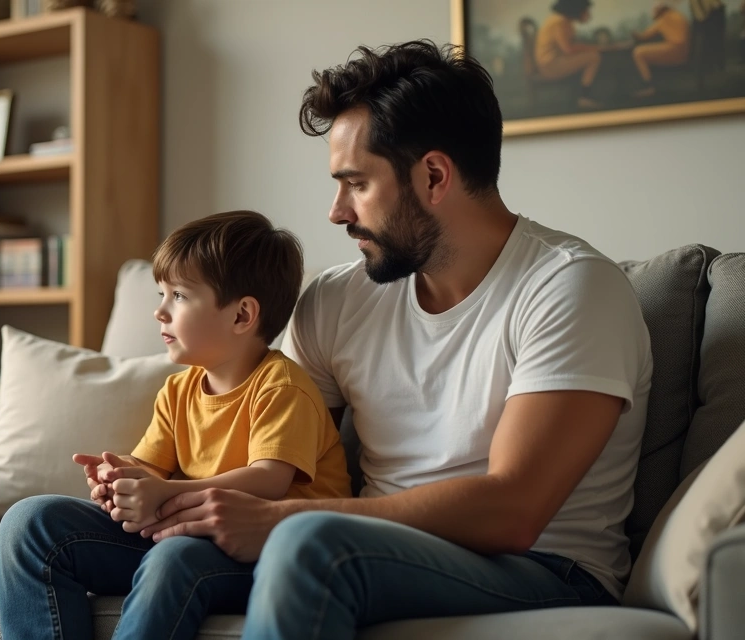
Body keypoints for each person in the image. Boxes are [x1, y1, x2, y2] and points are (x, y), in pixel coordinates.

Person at [136, 40, 653, 639]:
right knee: (58, 528)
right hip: (362, 552)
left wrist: (287, 520)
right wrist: (158, 493)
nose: (336, 212)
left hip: (544, 568)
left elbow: (513, 511)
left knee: (308, 543)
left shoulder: (570, 288)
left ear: (433, 176)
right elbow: (276, 454)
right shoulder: (337, 300)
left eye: (355, 183)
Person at [0, 210, 352, 640]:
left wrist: (165, 493)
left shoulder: (283, 387)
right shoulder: (178, 390)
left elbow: (269, 481)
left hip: (262, 551)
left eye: (179, 296)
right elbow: (151, 468)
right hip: (188, 536)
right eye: (161, 293)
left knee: (174, 556)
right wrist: (122, 479)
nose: (159, 312)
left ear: (242, 315)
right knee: (31, 523)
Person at [534, 0, 604, 108]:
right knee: (593, 57)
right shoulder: (560, 22)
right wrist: (599, 48)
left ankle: (583, 96)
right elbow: (568, 49)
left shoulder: (560, 20)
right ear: (576, 9)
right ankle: (584, 97)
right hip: (551, 66)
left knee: (590, 55)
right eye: (585, 11)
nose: (588, 15)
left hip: (553, 63)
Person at [630, 2, 692, 98]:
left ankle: (649, 86)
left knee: (638, 53)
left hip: (675, 51)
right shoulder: (677, 15)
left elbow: (643, 36)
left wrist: (634, 34)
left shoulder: (664, 19)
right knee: (642, 51)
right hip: (683, 51)